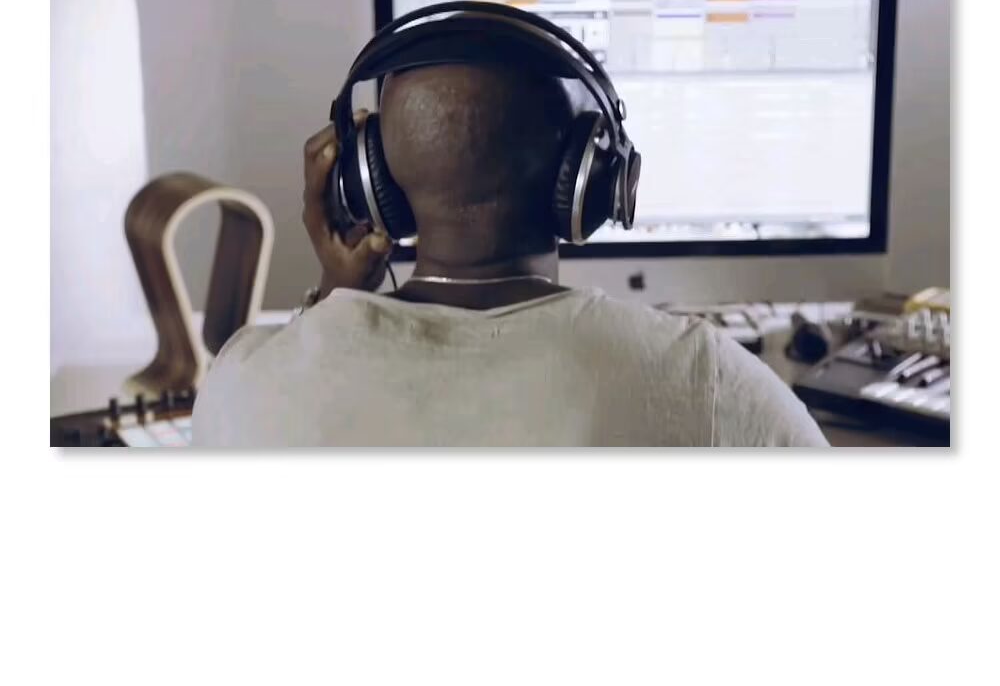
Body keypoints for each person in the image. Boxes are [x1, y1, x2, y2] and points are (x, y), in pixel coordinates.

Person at [192, 60, 828, 447]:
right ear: (591, 183)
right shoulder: (706, 378)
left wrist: (337, 294)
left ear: (368, 181)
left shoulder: (241, 381)